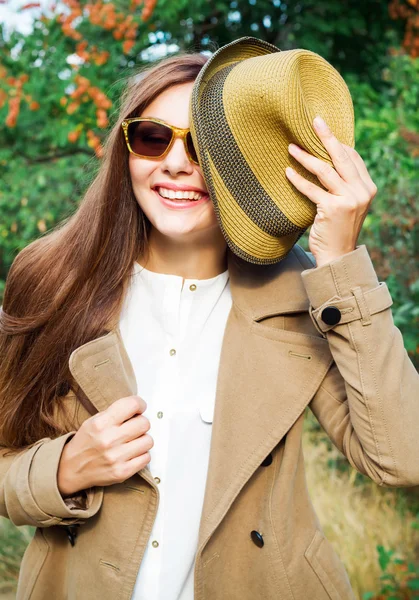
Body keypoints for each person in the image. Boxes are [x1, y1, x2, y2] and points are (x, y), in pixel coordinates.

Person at [0, 45, 418, 600]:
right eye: (152, 137)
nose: (175, 163)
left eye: (203, 146)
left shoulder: (305, 295)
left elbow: (403, 456)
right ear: (125, 150)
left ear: (245, 165)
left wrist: (341, 264)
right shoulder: (52, 278)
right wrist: (63, 468)